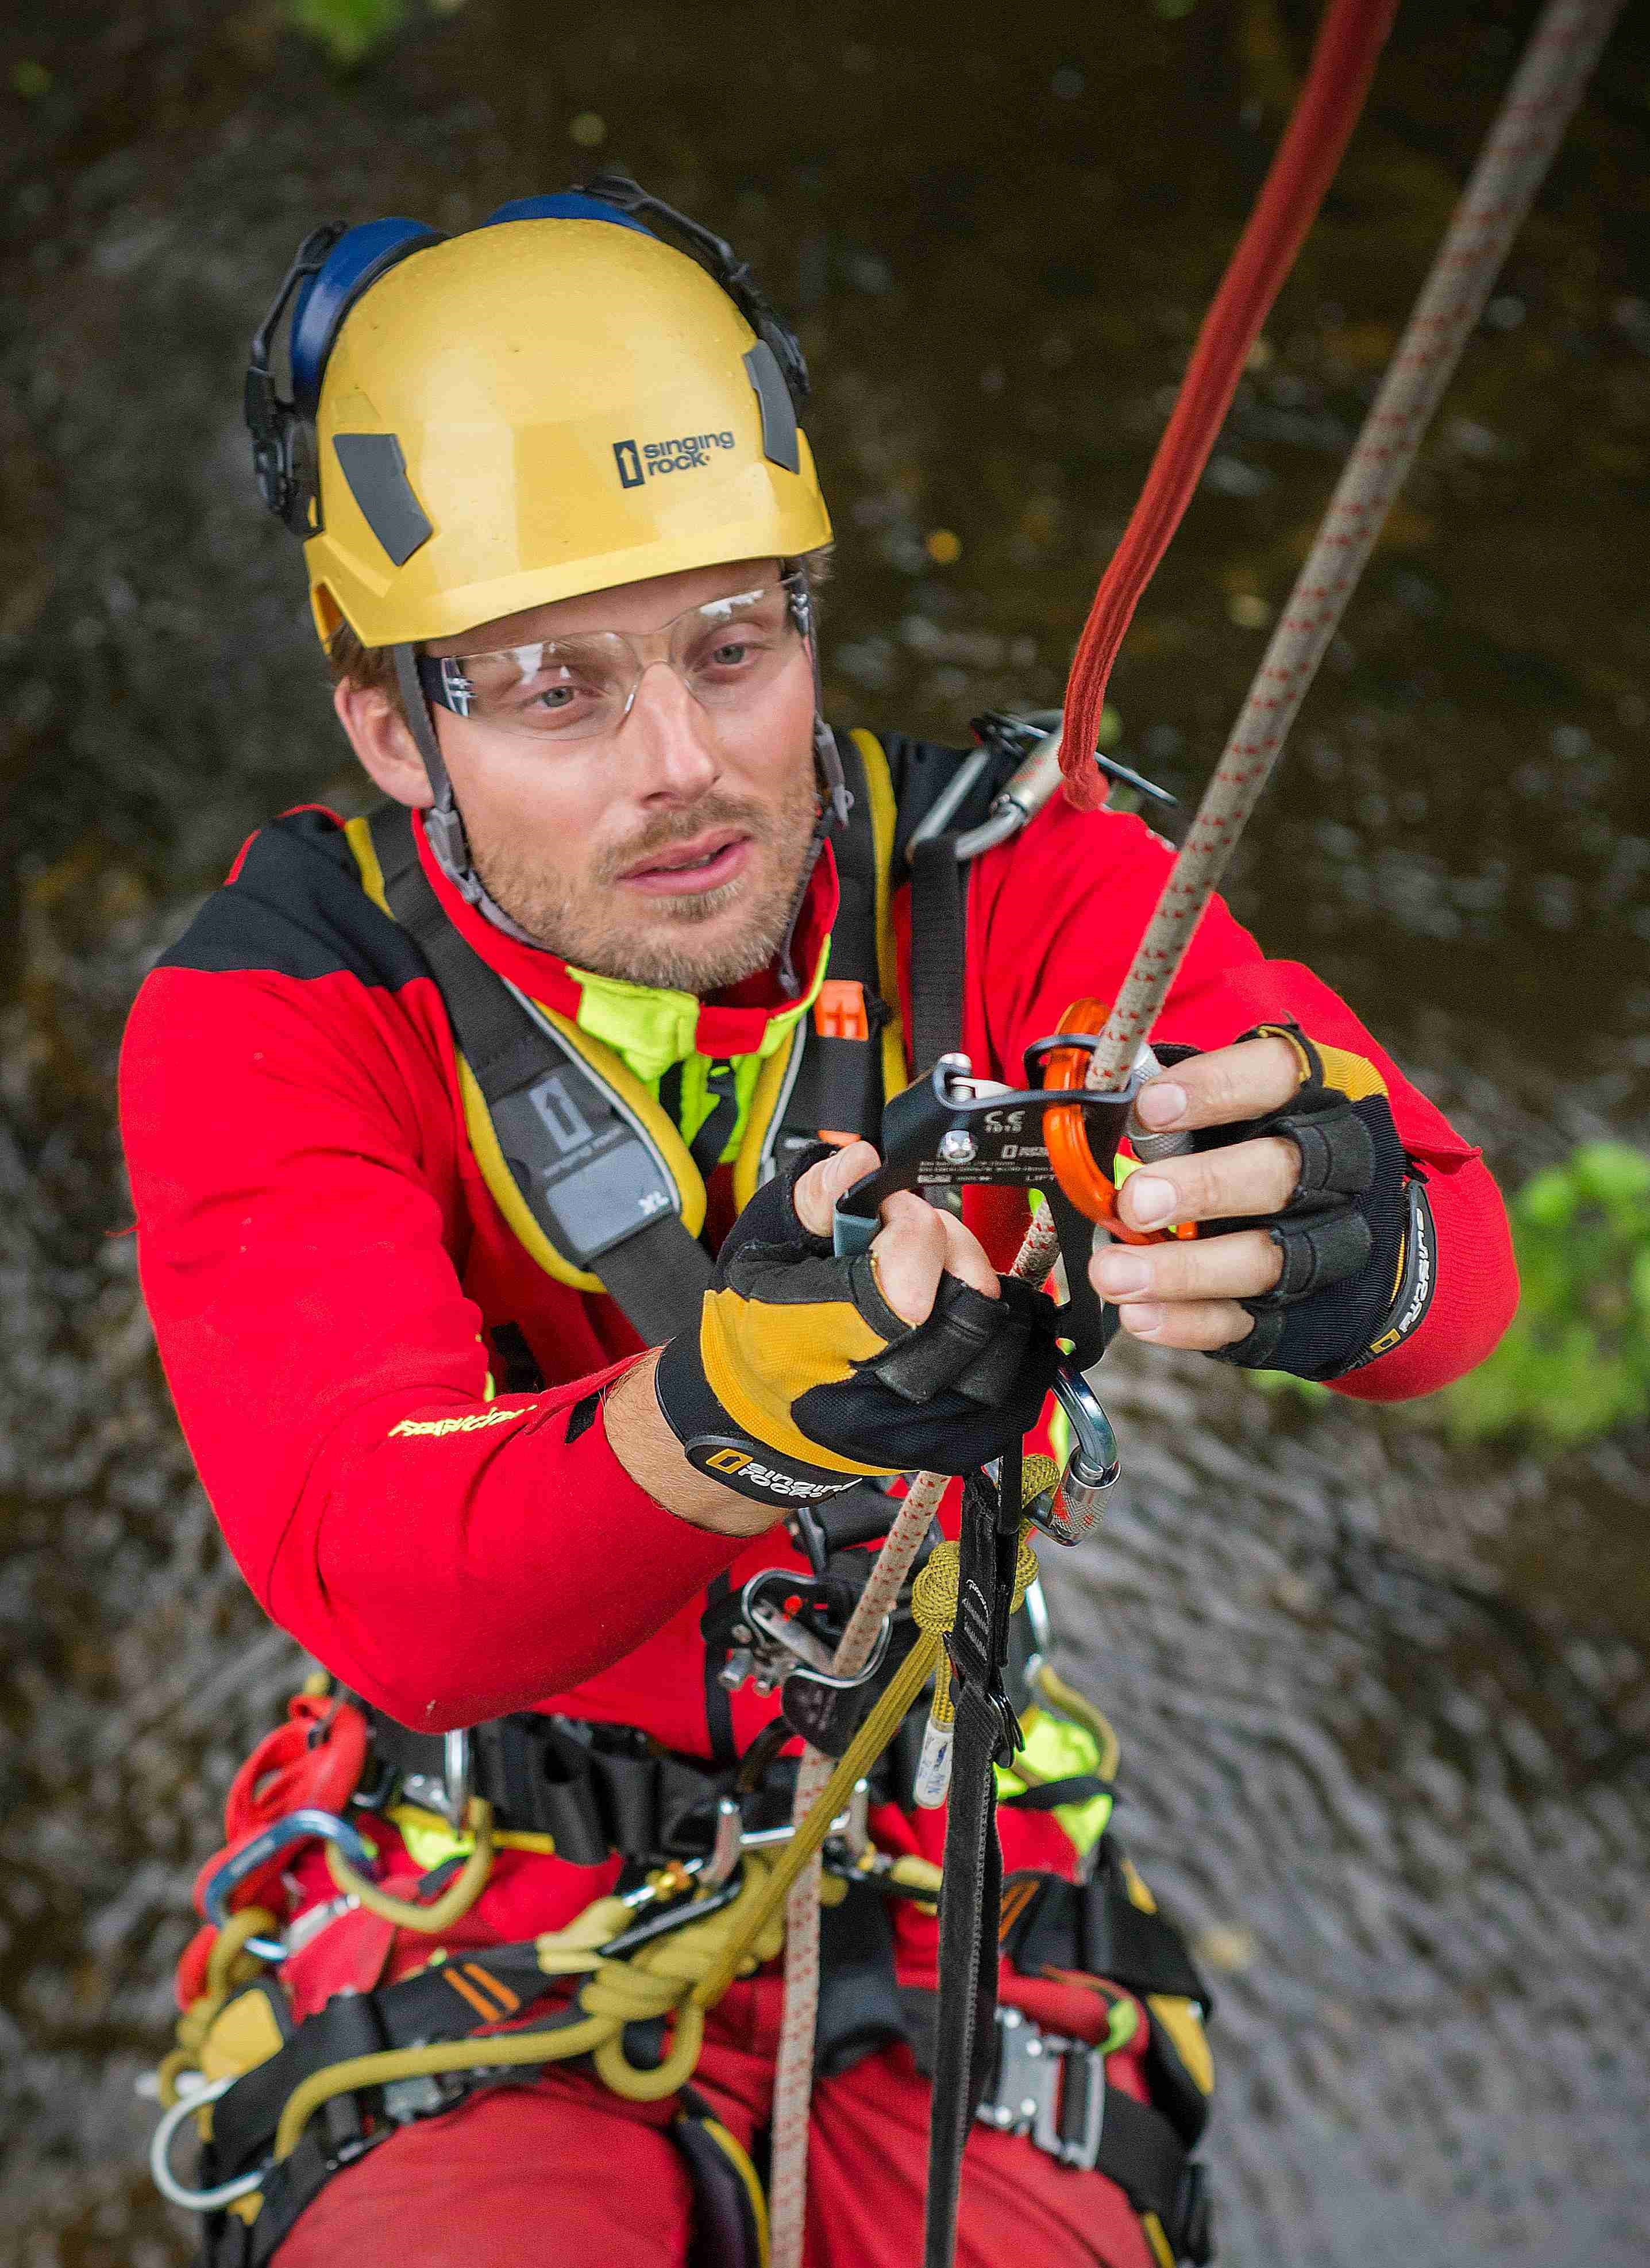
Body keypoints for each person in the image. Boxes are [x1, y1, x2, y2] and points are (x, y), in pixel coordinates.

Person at [120, 186, 1517, 2268]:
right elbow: (384, 1574)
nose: (683, 768)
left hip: (943, 1813)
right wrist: (734, 1408)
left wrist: (1347, 1229)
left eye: (733, 644)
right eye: (552, 688)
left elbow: (1458, 1288)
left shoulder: (1010, 886)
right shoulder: (285, 1010)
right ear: (395, 729)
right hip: (484, 1842)